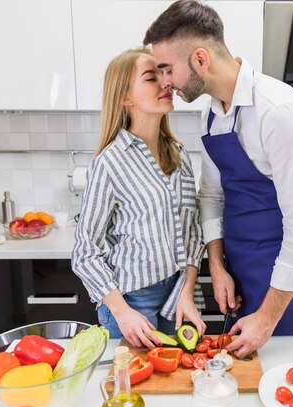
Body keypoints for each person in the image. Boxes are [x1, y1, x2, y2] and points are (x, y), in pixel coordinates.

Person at [144, 0, 293, 358]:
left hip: (281, 280)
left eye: (167, 69)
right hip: (237, 270)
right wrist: (217, 264)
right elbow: (211, 195)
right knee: (237, 380)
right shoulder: (211, 113)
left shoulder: (279, 112)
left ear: (200, 59)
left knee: (276, 380)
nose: (165, 82)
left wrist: (268, 318)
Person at [72, 48, 206, 349]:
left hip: (179, 298)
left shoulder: (179, 155)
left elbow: (192, 233)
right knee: (133, 392)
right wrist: (122, 313)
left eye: (165, 74)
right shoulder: (110, 163)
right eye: (151, 77)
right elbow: (84, 252)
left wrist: (187, 291)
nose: (166, 83)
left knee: (179, 388)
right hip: (132, 303)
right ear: (125, 97)